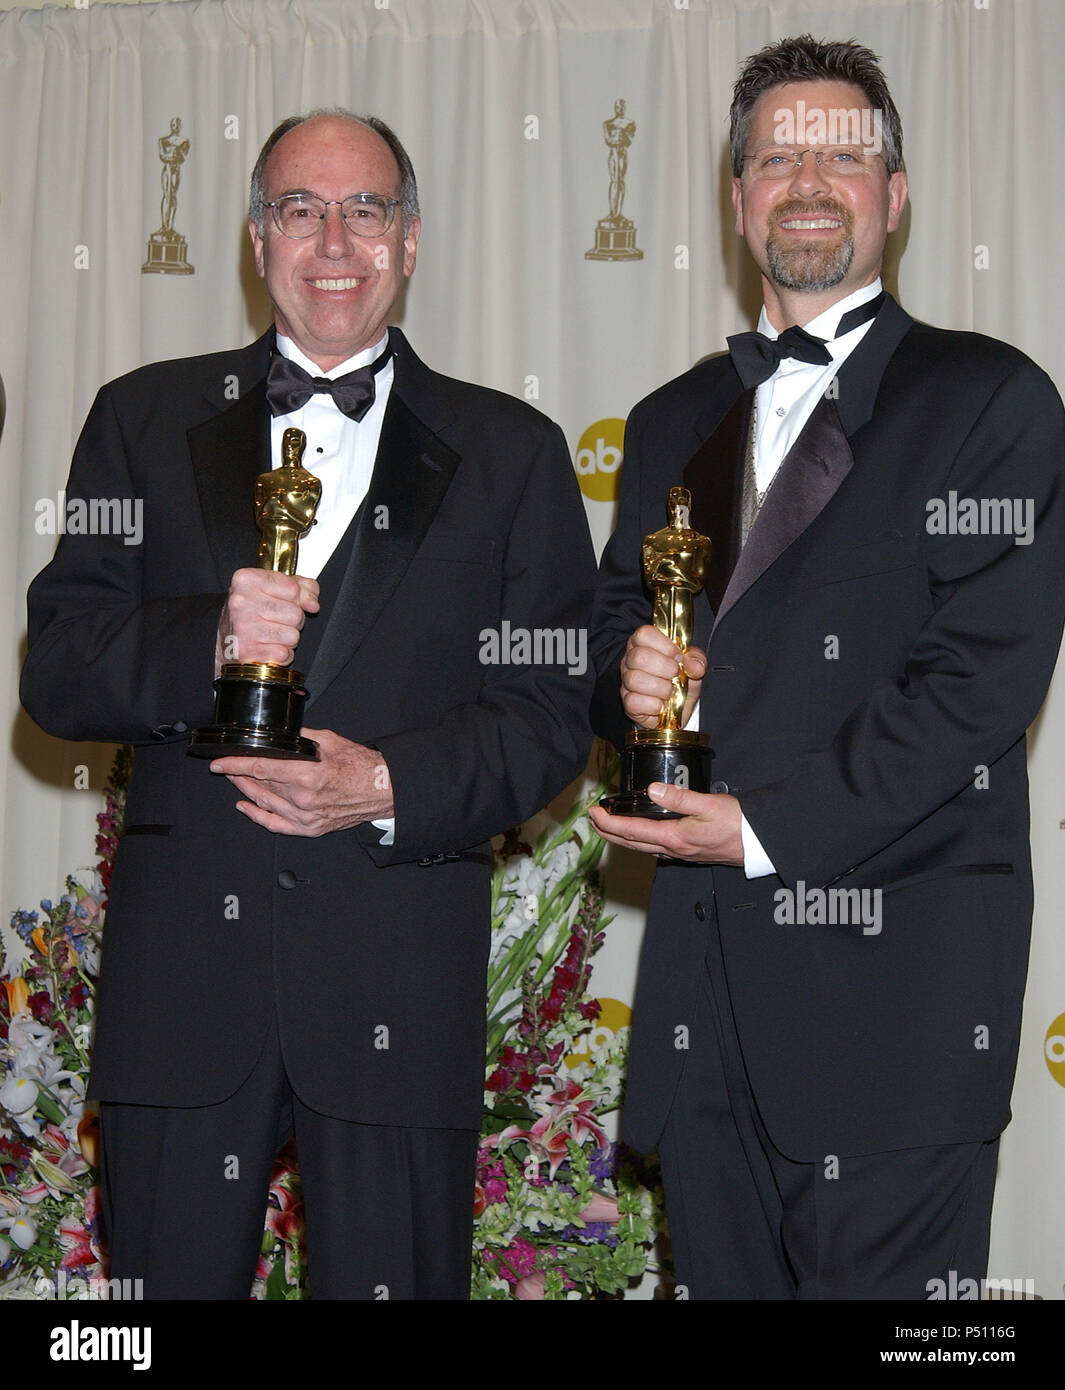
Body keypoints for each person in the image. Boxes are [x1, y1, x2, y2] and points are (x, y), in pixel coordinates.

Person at [21, 110, 595, 1299]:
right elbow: (60, 665)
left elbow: (551, 709)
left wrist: (385, 786)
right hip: (184, 995)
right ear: (255, 238)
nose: (334, 240)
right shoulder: (139, 418)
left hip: (398, 984)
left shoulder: (515, 450)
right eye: (299, 208)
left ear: (412, 238)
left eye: (365, 209)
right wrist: (210, 636)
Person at [589, 36, 1065, 1299]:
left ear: (894, 197)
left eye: (844, 152)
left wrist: (758, 829)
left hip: (897, 1013)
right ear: (739, 200)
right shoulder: (666, 420)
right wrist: (622, 680)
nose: (809, 177)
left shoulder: (993, 400)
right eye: (777, 155)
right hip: (699, 1009)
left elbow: (977, 686)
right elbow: (608, 634)